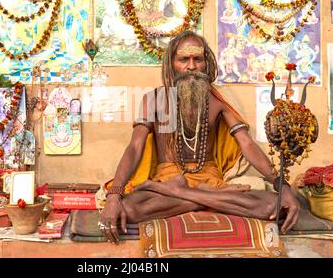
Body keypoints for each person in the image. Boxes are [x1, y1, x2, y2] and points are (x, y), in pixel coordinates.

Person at [99, 30, 301, 244]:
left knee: (275, 206)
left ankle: (183, 193)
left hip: (207, 181)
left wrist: (282, 186)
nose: (192, 66)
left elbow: (247, 144)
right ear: (171, 64)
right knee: (128, 208)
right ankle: (205, 198)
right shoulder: (154, 99)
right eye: (183, 59)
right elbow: (135, 147)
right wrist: (114, 194)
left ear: (207, 63)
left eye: (198, 59)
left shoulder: (217, 102)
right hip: (169, 178)